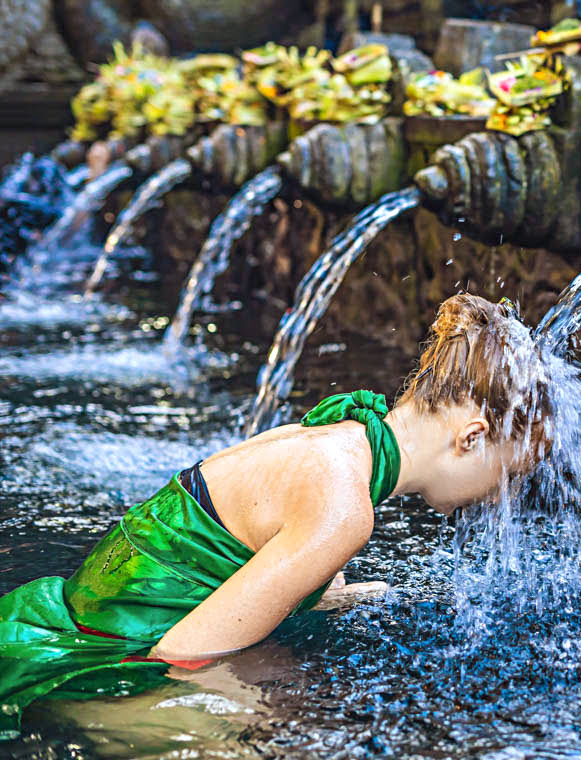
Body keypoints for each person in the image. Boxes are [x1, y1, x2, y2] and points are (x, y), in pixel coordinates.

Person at [0, 293, 551, 739]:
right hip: (90, 671)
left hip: (53, 620)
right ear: (472, 438)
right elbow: (187, 656)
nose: (501, 497)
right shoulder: (344, 508)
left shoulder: (333, 438)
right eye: (508, 474)